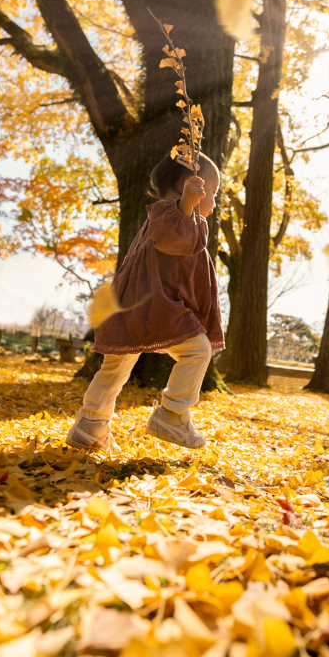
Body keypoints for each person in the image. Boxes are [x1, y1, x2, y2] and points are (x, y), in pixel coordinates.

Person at [65, 153, 223, 454]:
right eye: (210, 194)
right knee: (197, 350)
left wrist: (188, 208)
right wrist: (187, 206)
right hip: (153, 304)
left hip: (129, 305)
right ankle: (173, 414)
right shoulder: (170, 213)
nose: (212, 203)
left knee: (116, 366)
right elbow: (174, 237)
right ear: (190, 187)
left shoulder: (165, 217)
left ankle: (90, 425)